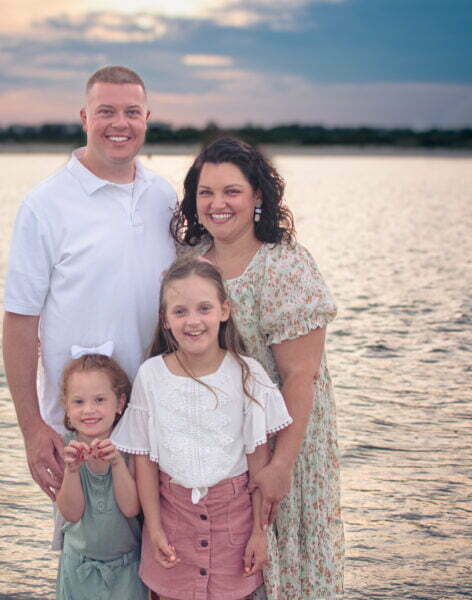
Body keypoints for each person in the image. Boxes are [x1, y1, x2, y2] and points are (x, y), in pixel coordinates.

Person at [172, 137, 343, 599]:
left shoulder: (283, 265)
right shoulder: (189, 263)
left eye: (232, 191)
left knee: (281, 563)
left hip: (282, 438)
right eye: (206, 192)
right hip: (215, 443)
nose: (218, 203)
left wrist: (281, 464)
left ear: (258, 196)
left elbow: (301, 375)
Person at [2, 65, 176, 504]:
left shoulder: (164, 196)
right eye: (106, 111)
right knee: (88, 541)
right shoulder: (45, 205)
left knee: (162, 540)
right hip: (83, 428)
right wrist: (32, 428)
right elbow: (20, 322)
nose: (120, 123)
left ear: (147, 118)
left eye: (132, 112)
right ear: (85, 118)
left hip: (158, 417)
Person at [111, 257, 293, 600]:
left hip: (234, 526)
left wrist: (259, 533)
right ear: (165, 319)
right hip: (172, 523)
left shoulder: (247, 374)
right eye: (180, 312)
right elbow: (145, 462)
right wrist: (154, 529)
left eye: (204, 308)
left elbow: (258, 461)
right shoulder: (151, 376)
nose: (193, 321)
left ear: (224, 310)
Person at [55, 351, 147, 600]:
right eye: (78, 402)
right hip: (78, 568)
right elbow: (71, 513)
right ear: (66, 407)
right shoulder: (66, 447)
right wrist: (72, 471)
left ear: (119, 403)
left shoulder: (129, 448)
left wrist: (116, 463)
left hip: (125, 570)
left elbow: (131, 508)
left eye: (99, 400)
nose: (89, 410)